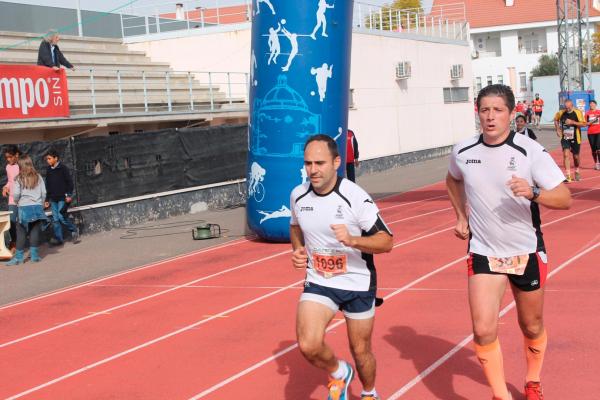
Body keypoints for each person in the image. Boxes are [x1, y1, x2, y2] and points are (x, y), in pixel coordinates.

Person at [446, 84, 571, 400]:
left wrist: (534, 193)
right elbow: (452, 179)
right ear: (478, 113)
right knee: (483, 329)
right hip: (484, 252)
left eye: (497, 110)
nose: (490, 117)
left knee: (531, 326)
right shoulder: (463, 151)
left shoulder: (529, 151)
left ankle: (532, 380)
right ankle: (501, 395)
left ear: (511, 113)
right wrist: (461, 217)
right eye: (484, 110)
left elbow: (565, 198)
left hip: (525, 250)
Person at [290, 134, 393, 400]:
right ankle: (339, 372)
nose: (313, 170)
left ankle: (369, 393)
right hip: (320, 281)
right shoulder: (298, 195)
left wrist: (352, 239)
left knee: (361, 350)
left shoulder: (354, 197)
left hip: (357, 283)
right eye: (308, 163)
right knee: (308, 344)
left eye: (319, 163)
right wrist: (298, 250)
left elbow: (387, 241)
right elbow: (295, 226)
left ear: (336, 162)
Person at [6, 155, 48, 266]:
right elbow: (43, 193)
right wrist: (41, 203)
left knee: (21, 233)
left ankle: (18, 259)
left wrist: (16, 201)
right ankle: (34, 256)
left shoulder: (19, 178)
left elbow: (16, 194)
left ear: (21, 165)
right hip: (37, 207)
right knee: (34, 231)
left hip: (24, 208)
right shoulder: (38, 176)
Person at [44, 149, 79, 245]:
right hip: (53, 198)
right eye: (47, 159)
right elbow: (48, 185)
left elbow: (70, 183)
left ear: (56, 158)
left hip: (62, 198)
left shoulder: (63, 168)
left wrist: (68, 194)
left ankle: (74, 231)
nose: (48, 161)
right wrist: (47, 199)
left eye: (49, 158)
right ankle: (59, 239)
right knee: (55, 219)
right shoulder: (48, 170)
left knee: (61, 217)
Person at [553, 99, 586, 182]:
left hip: (576, 137)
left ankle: (577, 170)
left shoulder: (578, 112)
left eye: (568, 107)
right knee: (566, 155)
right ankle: (568, 175)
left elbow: (583, 124)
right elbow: (556, 119)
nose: (567, 109)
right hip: (565, 137)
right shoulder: (561, 113)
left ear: (572, 106)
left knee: (576, 157)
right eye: (566, 107)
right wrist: (557, 129)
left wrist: (573, 122)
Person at [2, 145, 20, 252]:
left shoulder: (22, 165)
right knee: (11, 222)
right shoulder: (8, 167)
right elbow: (10, 181)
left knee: (24, 222)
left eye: (10, 157)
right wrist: (5, 187)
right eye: (7, 158)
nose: (8, 159)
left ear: (16, 155)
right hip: (12, 199)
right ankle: (13, 243)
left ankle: (30, 246)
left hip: (23, 200)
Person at [585, 99, 600, 170]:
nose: (591, 105)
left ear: (595, 105)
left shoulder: (599, 112)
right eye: (590, 104)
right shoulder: (587, 113)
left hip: (599, 132)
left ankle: (599, 163)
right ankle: (596, 163)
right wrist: (595, 119)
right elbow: (586, 123)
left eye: (593, 104)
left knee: (598, 148)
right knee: (593, 150)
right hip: (591, 133)